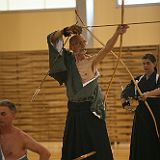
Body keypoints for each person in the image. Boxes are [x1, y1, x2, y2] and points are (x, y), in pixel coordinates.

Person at [47, 24, 128, 160]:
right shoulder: (67, 61)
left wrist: (117, 33)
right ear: (72, 47)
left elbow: (107, 48)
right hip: (74, 110)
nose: (83, 45)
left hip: (91, 109)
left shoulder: (91, 61)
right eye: (78, 43)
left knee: (98, 144)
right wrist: (66, 31)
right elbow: (54, 40)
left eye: (84, 42)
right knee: (72, 145)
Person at [121, 53, 160, 160]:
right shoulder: (138, 79)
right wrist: (125, 104)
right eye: (143, 64)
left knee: (153, 139)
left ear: (154, 63)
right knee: (140, 139)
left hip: (155, 114)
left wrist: (147, 94)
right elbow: (125, 93)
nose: (145, 66)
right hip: (141, 115)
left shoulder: (158, 78)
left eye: (148, 63)